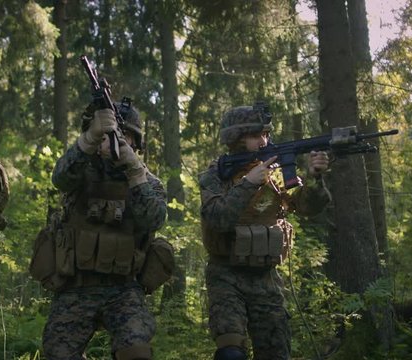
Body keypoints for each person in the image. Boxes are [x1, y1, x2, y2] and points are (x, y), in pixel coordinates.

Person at [199, 103, 331, 360]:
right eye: (256, 135)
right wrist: (248, 183)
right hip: (225, 275)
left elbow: (306, 206)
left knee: (275, 353)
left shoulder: (277, 174)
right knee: (231, 353)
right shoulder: (216, 174)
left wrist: (315, 178)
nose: (264, 141)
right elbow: (218, 219)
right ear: (236, 139)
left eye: (267, 135)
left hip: (266, 278)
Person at [42, 99, 167, 360]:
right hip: (76, 286)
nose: (111, 143)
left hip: (124, 289)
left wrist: (134, 172)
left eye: (123, 137)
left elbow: (154, 220)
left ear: (135, 142)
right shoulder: (79, 171)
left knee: (136, 352)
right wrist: (89, 138)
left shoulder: (146, 180)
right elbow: (60, 178)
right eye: (106, 136)